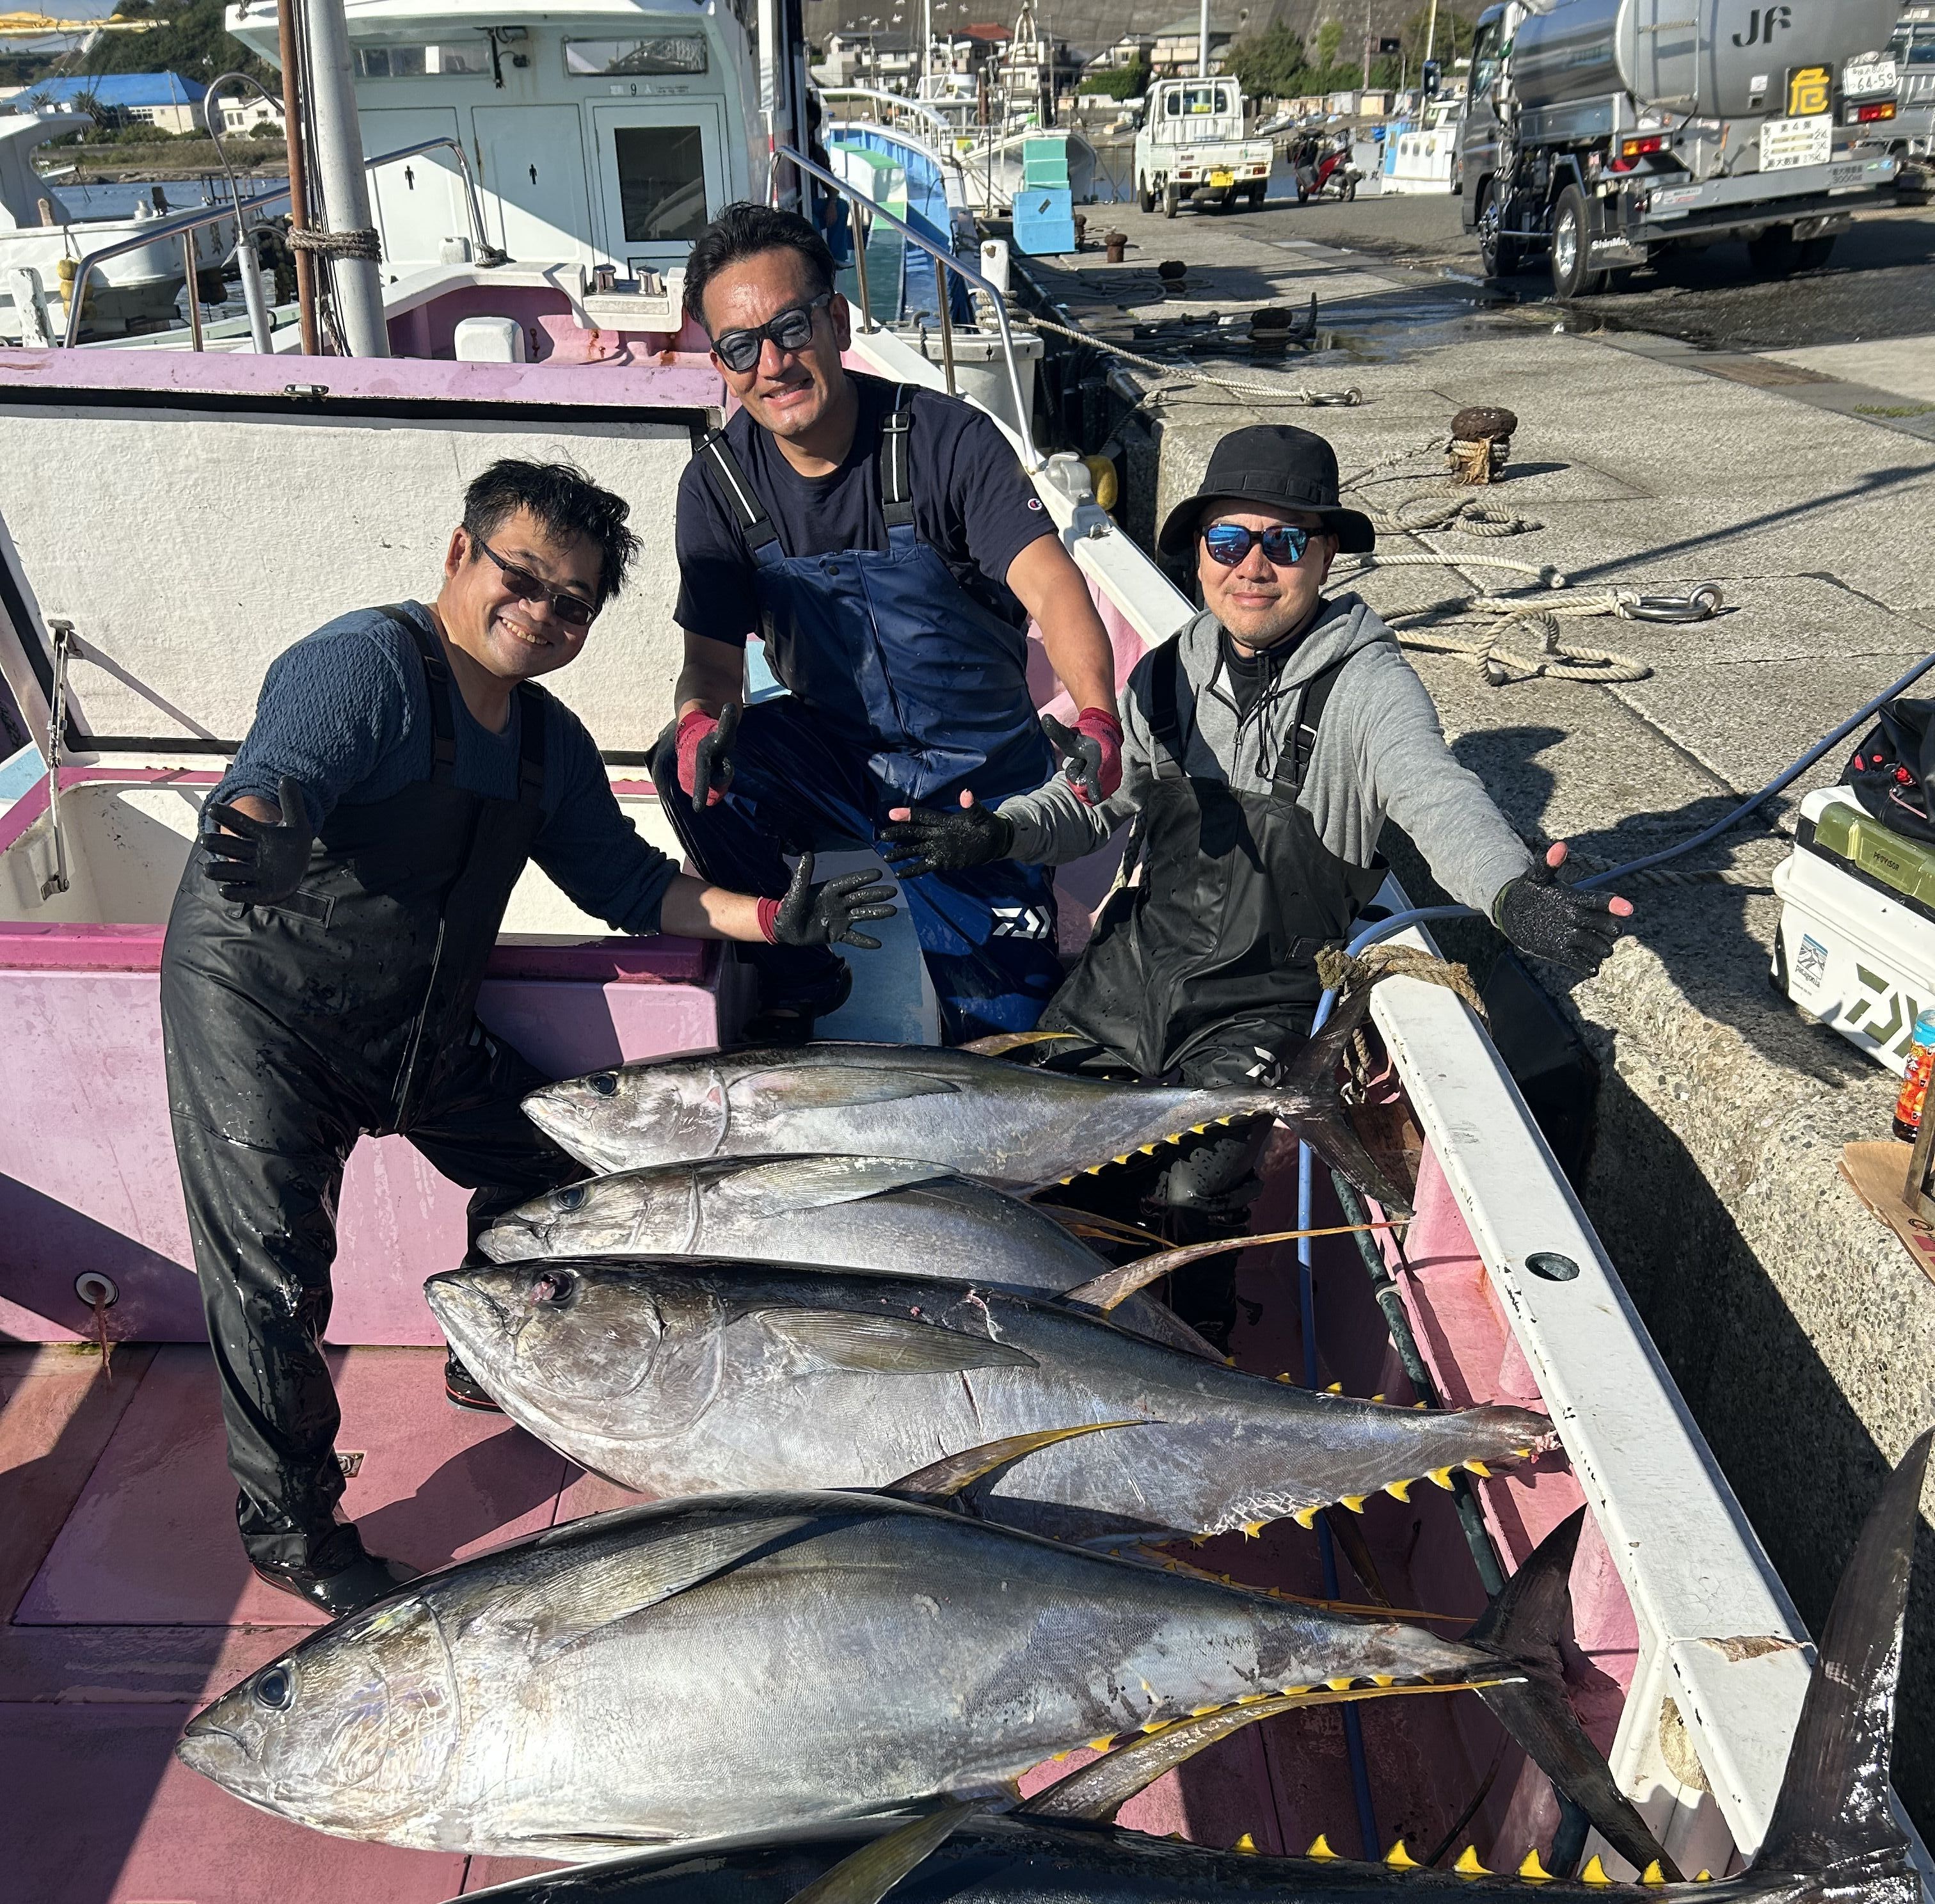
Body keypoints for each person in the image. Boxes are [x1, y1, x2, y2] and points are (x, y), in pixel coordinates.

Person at [161, 457, 891, 1615]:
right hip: (263, 1012)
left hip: (413, 1024)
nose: (543, 612)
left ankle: (482, 1352)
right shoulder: (365, 665)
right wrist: (266, 824)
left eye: (574, 601)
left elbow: (627, 883)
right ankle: (293, 1534)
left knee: (556, 1174)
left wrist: (770, 918)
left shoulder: (548, 742)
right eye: (525, 576)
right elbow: (275, 777)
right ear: (461, 554)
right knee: (273, 1278)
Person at [883, 422, 1634, 1341]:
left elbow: (1437, 795)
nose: (1253, 567)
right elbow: (1093, 806)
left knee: (1190, 1193)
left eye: (1283, 542)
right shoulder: (1166, 674)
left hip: (1261, 1002)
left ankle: (1195, 1351)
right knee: (1025, 1160)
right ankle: (1051, 1339)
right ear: (1200, 553)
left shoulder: (1369, 689)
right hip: (1130, 976)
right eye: (1229, 540)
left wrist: (1514, 894)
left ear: (1326, 555)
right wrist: (999, 830)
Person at [659, 200, 1124, 1044]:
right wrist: (698, 725)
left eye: (791, 327)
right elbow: (713, 665)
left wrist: (1096, 715)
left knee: (1004, 1040)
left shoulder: (947, 440)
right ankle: (800, 967)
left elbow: (1055, 590)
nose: (773, 364)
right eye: (740, 347)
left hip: (980, 783)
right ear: (721, 363)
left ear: (836, 321)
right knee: (685, 765)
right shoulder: (717, 487)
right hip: (837, 757)